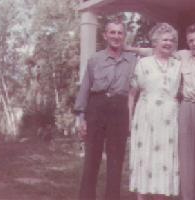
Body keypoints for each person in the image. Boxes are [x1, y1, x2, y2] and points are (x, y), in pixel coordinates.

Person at [126, 23, 195, 200]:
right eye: (191, 40)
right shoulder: (183, 56)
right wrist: (128, 48)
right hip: (186, 108)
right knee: (185, 163)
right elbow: (155, 50)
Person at [74, 19, 137, 200]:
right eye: (112, 32)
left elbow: (154, 50)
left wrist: (132, 49)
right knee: (91, 159)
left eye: (120, 33)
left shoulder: (132, 60)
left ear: (124, 36)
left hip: (119, 110)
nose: (116, 36)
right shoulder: (95, 59)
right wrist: (81, 118)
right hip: (97, 108)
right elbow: (85, 88)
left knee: (116, 162)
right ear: (105, 35)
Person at [128, 23, 181, 200]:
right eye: (164, 39)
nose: (168, 43)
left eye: (172, 40)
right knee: (145, 159)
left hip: (169, 119)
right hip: (146, 117)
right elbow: (132, 94)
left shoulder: (178, 64)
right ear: (155, 42)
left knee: (164, 161)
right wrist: (129, 118)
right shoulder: (143, 63)